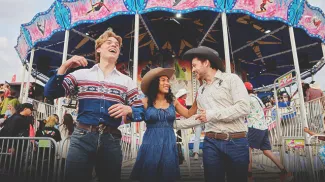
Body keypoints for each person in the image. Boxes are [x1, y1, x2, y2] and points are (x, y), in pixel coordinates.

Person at [44, 30, 144, 182]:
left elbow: (141, 111)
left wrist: (129, 109)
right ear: (98, 49)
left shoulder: (127, 81)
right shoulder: (81, 75)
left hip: (111, 140)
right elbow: (50, 92)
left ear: (118, 53)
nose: (114, 45)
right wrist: (65, 65)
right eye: (109, 43)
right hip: (82, 138)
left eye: (117, 45)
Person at [182, 46, 250, 182]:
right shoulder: (200, 90)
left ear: (206, 63)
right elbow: (200, 117)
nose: (193, 69)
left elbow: (243, 107)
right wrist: (171, 123)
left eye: (194, 65)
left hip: (236, 142)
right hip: (211, 142)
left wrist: (212, 114)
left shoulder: (231, 79)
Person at [130, 67, 202, 182]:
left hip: (169, 142)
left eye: (168, 81)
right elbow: (133, 116)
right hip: (151, 143)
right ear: (154, 83)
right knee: (149, 173)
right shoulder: (145, 101)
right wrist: (127, 111)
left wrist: (198, 98)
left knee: (168, 173)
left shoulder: (173, 101)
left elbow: (188, 113)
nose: (167, 83)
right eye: (163, 80)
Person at [244, 82, 293, 182]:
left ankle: (249, 176)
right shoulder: (256, 98)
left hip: (254, 127)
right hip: (263, 127)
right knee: (267, 151)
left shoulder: (247, 99)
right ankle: (285, 172)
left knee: (247, 149)